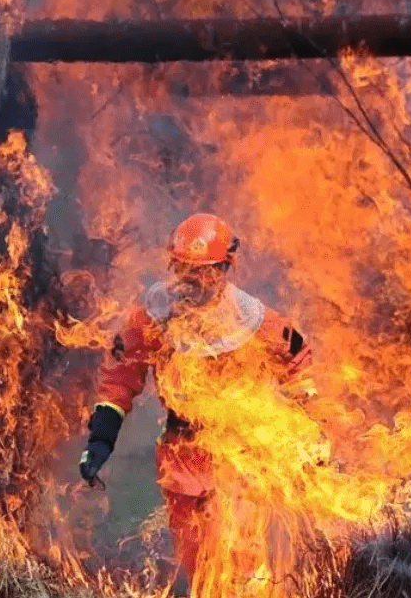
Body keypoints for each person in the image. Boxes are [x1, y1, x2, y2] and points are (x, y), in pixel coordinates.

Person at [78, 212, 314, 585]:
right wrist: (101, 438)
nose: (196, 280)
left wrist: (308, 431)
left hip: (238, 456)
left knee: (240, 564)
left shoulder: (254, 320)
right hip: (181, 458)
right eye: (187, 269)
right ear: (174, 265)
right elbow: (119, 378)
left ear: (225, 268)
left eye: (205, 271)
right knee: (197, 563)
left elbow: (298, 363)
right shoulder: (152, 320)